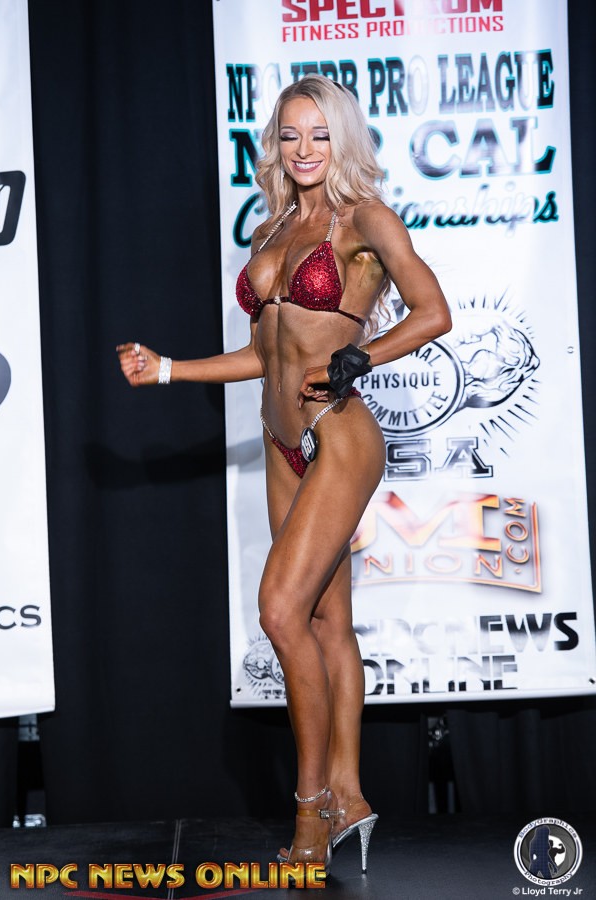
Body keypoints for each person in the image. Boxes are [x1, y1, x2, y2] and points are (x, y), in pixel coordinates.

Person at [117, 74, 451, 875]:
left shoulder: (365, 219)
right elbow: (263, 355)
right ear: (276, 143)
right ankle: (351, 795)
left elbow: (434, 311)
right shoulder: (272, 230)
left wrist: (362, 355)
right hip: (280, 442)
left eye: (320, 134)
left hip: (337, 434)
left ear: (343, 139)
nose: (304, 149)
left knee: (278, 610)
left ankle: (310, 812)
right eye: (291, 134)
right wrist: (169, 370)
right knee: (325, 623)